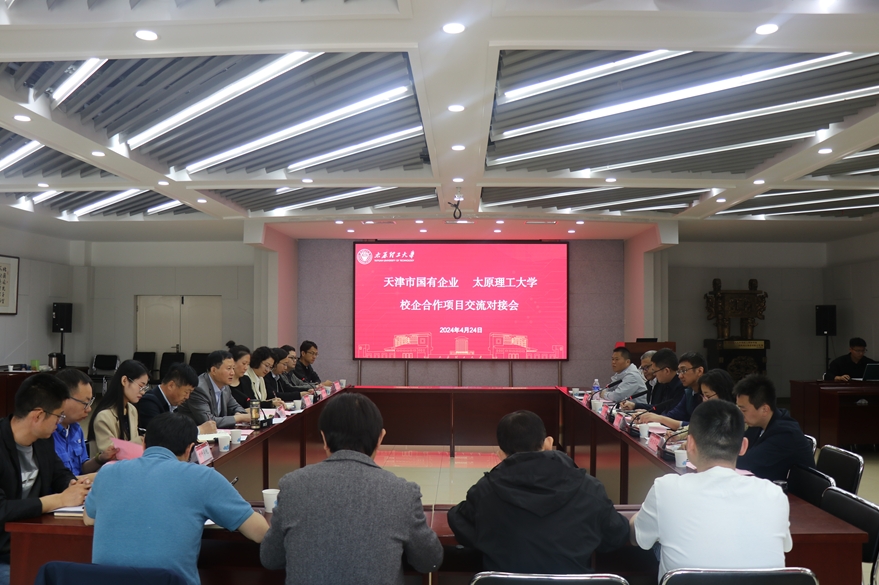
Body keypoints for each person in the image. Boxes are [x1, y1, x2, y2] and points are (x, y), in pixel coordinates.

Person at [260, 393, 442, 585]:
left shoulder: (292, 485)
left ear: (323, 438)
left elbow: (270, 558)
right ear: (380, 438)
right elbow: (429, 561)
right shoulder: (402, 492)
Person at [84, 413, 268, 585]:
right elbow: (260, 533)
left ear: (144, 443)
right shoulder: (202, 477)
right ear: (190, 449)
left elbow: (89, 518)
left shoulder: (107, 472)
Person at [447, 410, 629, 573]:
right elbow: (616, 536)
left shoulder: (485, 491)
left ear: (501, 454)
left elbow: (460, 523)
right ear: (548, 443)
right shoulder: (589, 488)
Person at [630, 400, 791, 581]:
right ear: (743, 446)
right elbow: (785, 547)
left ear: (690, 444)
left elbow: (637, 538)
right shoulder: (774, 494)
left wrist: (637, 518)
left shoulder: (665, 489)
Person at [0, 374, 91, 583]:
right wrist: (59, 500)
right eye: (58, 415)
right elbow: (2, 509)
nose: (59, 423)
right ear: (38, 415)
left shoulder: (42, 440)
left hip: (31, 540)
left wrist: (73, 484)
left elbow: (58, 473)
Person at [734, 375, 815, 481]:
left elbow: (746, 461)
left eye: (744, 410)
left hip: (793, 490)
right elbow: (737, 447)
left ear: (765, 409)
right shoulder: (758, 423)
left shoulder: (785, 433)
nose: (740, 415)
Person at [54, 368, 118, 476]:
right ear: (64, 399)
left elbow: (83, 468)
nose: (89, 409)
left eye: (90, 403)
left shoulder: (76, 429)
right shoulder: (47, 433)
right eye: (85, 403)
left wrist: (101, 458)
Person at [87, 359, 149, 456]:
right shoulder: (104, 416)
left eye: (145, 388)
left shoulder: (132, 410)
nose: (143, 392)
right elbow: (110, 454)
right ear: (124, 381)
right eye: (140, 386)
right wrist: (141, 441)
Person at [176, 350, 250, 429]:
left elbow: (236, 407)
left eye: (233, 368)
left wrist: (239, 413)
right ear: (214, 370)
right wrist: (239, 418)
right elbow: (209, 422)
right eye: (228, 368)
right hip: (191, 433)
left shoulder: (225, 387)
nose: (232, 373)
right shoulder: (199, 389)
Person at [138, 363, 217, 435]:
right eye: (186, 392)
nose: (187, 397)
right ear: (171, 385)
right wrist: (199, 430)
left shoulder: (174, 404)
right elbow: (160, 434)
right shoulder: (149, 402)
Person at [636, 351, 705, 430]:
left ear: (699, 371)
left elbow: (702, 426)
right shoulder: (689, 392)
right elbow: (674, 414)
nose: (680, 376)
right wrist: (650, 417)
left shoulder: (710, 393)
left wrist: (659, 418)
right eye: (679, 371)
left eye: (684, 371)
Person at [621, 348, 684, 415]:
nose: (654, 374)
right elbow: (660, 408)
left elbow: (675, 415)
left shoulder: (680, 387)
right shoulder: (666, 384)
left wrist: (651, 415)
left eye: (655, 371)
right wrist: (640, 408)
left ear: (666, 371)